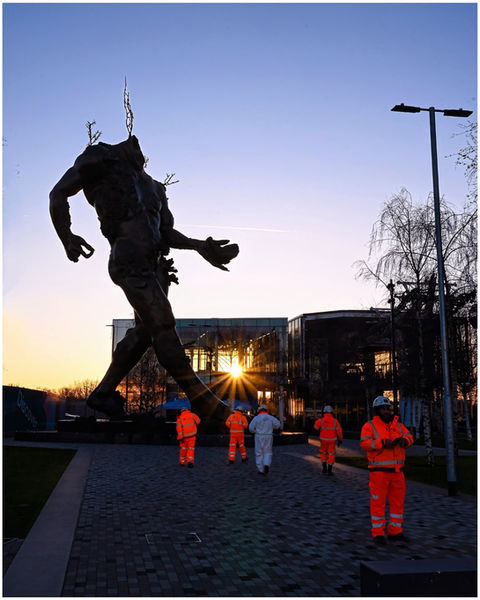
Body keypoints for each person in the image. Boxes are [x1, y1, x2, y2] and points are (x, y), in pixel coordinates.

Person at [49, 134, 239, 421]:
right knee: (163, 324)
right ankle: (205, 403)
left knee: (143, 335)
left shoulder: (155, 188)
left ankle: (102, 394)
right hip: (128, 261)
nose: (141, 155)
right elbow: (58, 193)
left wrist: (200, 246)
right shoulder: (101, 158)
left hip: (153, 266)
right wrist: (67, 237)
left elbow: (165, 233)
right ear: (133, 143)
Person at [360, 396, 414, 545]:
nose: (386, 411)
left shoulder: (398, 425)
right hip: (379, 472)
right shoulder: (369, 426)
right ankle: (378, 533)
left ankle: (395, 531)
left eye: (387, 408)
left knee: (398, 503)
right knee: (378, 503)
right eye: (383, 409)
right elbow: (364, 444)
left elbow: (410, 437)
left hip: (397, 472)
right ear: (377, 411)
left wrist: (405, 441)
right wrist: (382, 443)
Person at [248, 404, 281, 475]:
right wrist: (272, 427)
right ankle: (266, 464)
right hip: (269, 436)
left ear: (259, 410)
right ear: (266, 410)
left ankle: (261, 469)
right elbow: (278, 425)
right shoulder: (271, 417)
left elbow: (250, 428)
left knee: (259, 453)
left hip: (259, 436)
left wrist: (255, 431)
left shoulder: (256, 418)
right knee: (268, 452)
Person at [314, 405, 343, 475]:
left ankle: (324, 468)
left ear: (324, 412)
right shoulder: (335, 421)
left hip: (323, 441)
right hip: (332, 441)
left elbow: (315, 427)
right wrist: (340, 440)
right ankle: (329, 470)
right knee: (331, 454)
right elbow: (339, 432)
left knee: (323, 453)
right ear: (331, 412)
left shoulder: (321, 420)